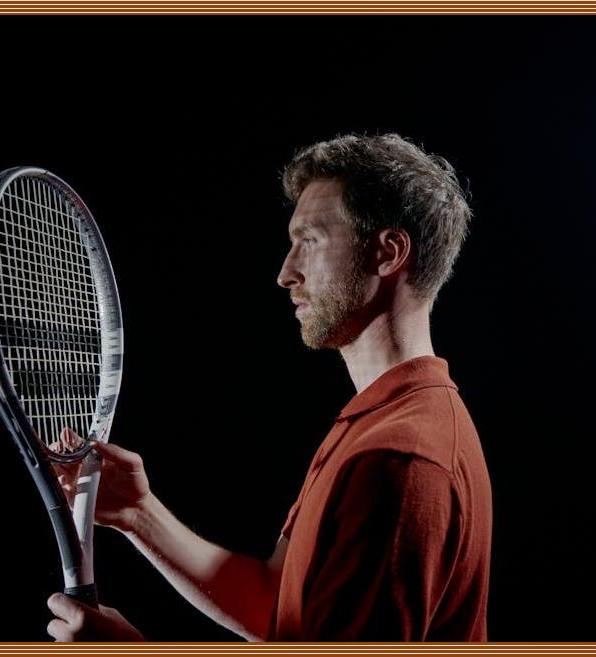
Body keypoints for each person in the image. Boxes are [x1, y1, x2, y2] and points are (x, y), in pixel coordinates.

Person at [46, 134, 493, 642]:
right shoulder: (376, 422)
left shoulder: (401, 458)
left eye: (311, 240)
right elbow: (276, 605)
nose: (285, 273)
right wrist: (138, 513)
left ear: (388, 253)